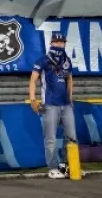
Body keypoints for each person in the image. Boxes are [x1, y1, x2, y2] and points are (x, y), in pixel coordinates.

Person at [29, 33, 78, 179]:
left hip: (66, 105)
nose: (60, 44)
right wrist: (33, 100)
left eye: (62, 42)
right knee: (50, 138)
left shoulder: (66, 60)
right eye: (57, 42)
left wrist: (70, 98)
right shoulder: (42, 60)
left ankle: (66, 166)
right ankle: (52, 167)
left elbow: (69, 78)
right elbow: (33, 80)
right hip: (50, 104)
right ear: (51, 43)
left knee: (71, 137)